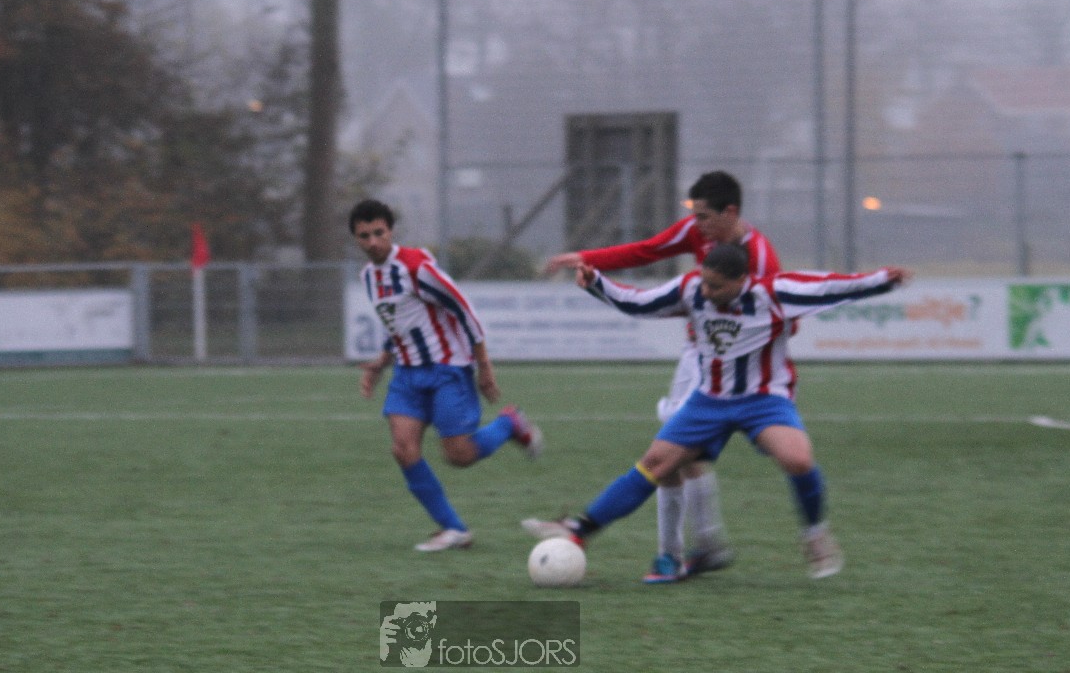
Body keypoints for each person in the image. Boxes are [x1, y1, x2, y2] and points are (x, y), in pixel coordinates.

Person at [525, 243, 912, 580]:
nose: (706, 292)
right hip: (708, 401)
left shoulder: (775, 294)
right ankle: (580, 532)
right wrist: (596, 283)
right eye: (704, 283)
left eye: (716, 286)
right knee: (655, 464)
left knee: (797, 458)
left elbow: (831, 287)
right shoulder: (692, 289)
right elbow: (640, 303)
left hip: (763, 400)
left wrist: (882, 280)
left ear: (742, 280)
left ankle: (815, 534)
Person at [541, 170, 780, 583]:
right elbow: (646, 251)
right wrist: (588, 260)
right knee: (679, 456)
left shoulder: (761, 260)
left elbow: (782, 318)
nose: (696, 225)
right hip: (696, 359)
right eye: (694, 215)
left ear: (730, 212)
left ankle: (678, 550)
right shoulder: (697, 232)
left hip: (735, 371)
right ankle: (696, 548)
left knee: (674, 454)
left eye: (704, 217)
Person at [351, 199, 542, 552]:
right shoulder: (368, 277)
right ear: (356, 239)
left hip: (446, 368)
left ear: (391, 231)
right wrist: (381, 361)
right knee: (403, 449)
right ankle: (453, 529)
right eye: (365, 236)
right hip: (407, 374)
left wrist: (484, 366)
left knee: (459, 455)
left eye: (379, 232)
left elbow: (463, 309)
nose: (373, 241)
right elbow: (399, 324)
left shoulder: (416, 268)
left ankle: (509, 423)